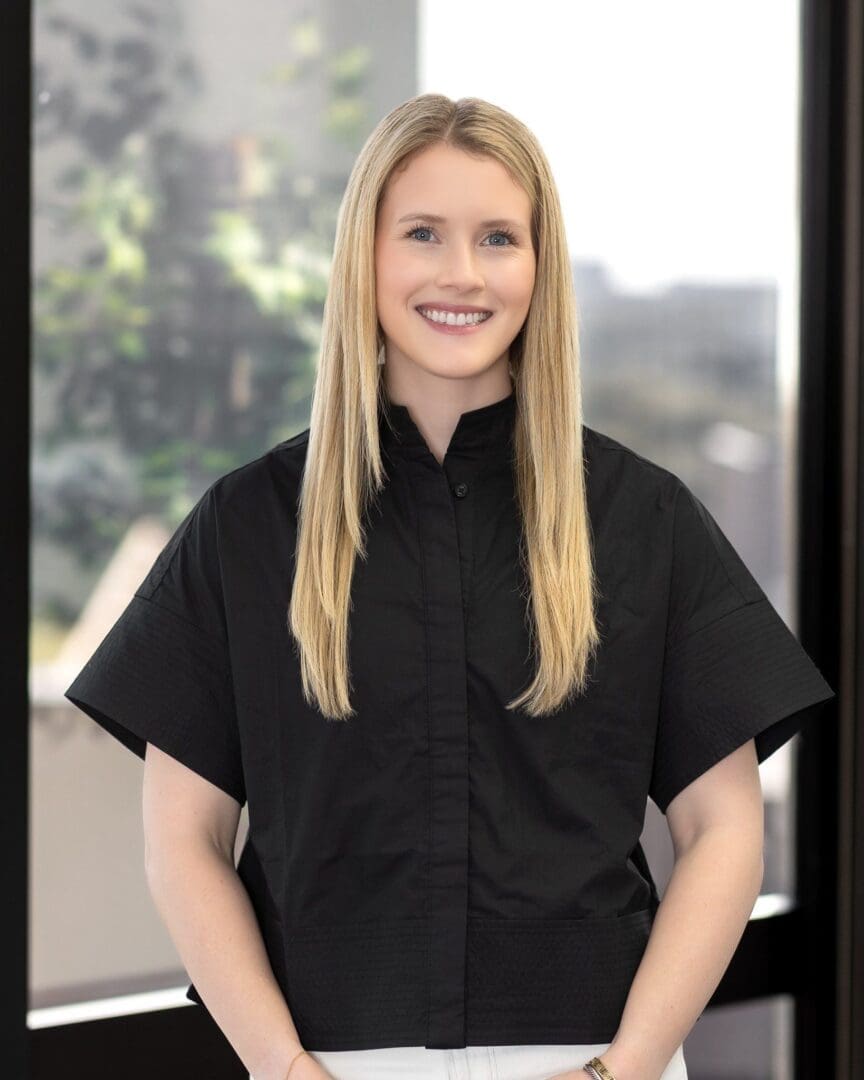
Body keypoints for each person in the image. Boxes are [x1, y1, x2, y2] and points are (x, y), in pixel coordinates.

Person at [65, 94, 836, 1080]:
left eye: (499, 238)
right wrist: (280, 1067)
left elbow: (725, 828)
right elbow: (183, 839)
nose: (461, 273)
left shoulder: (644, 519)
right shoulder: (248, 526)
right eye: (422, 232)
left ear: (539, 264)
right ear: (366, 255)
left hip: (592, 1057)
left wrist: (628, 1067)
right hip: (325, 1063)